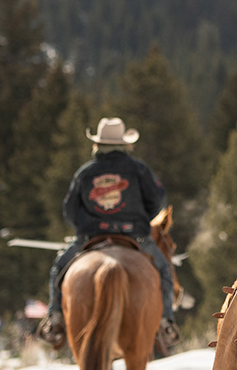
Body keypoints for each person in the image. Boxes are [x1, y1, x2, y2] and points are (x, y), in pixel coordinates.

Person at [37, 117, 180, 349]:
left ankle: (55, 318)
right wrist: (142, 218)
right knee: (163, 270)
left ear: (98, 144)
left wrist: (87, 225)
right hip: (135, 236)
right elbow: (158, 200)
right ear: (125, 144)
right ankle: (165, 322)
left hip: (91, 237)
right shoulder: (139, 169)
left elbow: (69, 211)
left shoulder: (85, 172)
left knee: (58, 269)